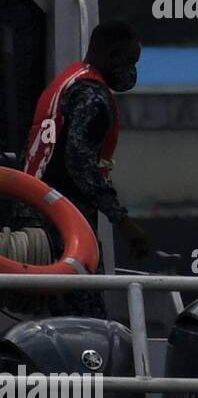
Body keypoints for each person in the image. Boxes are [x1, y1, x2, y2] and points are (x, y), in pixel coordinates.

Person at [22, 19, 149, 317]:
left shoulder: (66, 82)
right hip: (61, 224)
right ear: (114, 56)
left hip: (34, 212)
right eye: (130, 61)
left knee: (51, 318)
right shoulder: (92, 95)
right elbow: (79, 162)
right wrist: (123, 222)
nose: (131, 72)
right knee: (85, 322)